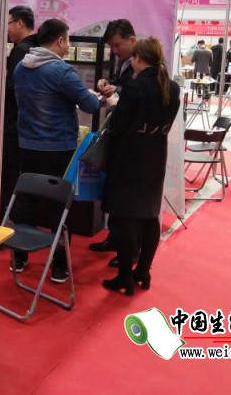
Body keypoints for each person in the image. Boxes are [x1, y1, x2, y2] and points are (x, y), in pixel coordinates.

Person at [12, 19, 108, 283]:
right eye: (68, 40)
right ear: (60, 40)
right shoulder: (61, 71)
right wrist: (100, 96)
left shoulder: (21, 67)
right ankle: (59, 265)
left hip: (27, 144)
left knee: (26, 201)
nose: (69, 45)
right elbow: (89, 105)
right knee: (60, 206)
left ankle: (19, 256)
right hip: (59, 148)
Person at [101, 37, 180, 296]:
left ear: (137, 58)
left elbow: (119, 125)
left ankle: (125, 275)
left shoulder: (135, 88)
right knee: (149, 215)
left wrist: (114, 107)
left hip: (130, 158)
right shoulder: (172, 87)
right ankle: (143, 270)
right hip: (155, 156)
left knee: (126, 217)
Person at [92, 19, 137, 260]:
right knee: (114, 192)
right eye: (112, 46)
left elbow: (139, 95)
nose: (115, 50)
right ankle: (115, 238)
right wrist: (110, 86)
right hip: (117, 132)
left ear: (132, 40)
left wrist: (117, 91)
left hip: (133, 139)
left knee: (128, 199)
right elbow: (124, 88)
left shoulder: (144, 64)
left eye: (118, 45)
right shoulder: (123, 61)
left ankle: (128, 250)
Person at [0, 5, 39, 215]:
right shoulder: (39, 47)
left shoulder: (21, 49)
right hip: (31, 124)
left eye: (8, 24)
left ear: (20, 23)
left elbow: (13, 88)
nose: (7, 30)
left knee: (9, 174)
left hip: (14, 123)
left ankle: (7, 218)